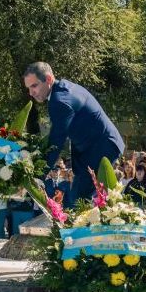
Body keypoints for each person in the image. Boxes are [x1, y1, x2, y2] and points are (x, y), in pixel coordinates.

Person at [23, 62, 124, 205]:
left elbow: (56, 141)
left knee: (78, 202)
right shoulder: (63, 87)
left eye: (34, 86)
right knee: (81, 200)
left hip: (102, 146)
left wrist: (37, 177)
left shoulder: (59, 101)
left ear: (49, 79)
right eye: (28, 88)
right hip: (93, 147)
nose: (31, 93)